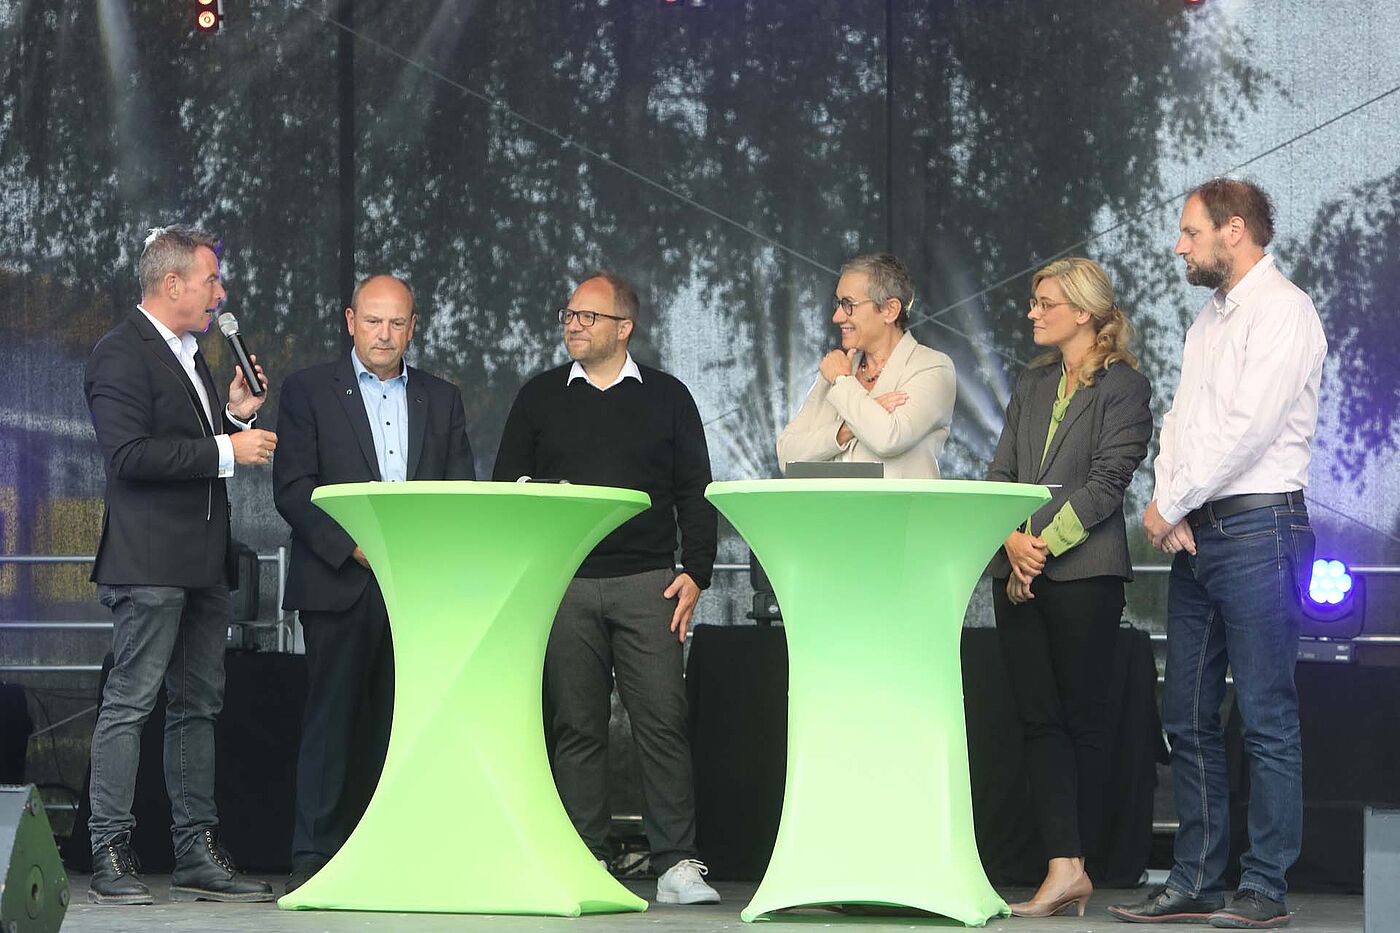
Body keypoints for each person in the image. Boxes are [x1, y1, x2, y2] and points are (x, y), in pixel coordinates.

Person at [1110, 179, 1326, 929]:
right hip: (1199, 531)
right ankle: (1197, 877)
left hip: (1262, 527)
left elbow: (1248, 428)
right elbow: (1182, 419)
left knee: (1266, 713)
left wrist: (1174, 501)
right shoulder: (1208, 320)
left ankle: (1264, 886)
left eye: (1189, 231)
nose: (1180, 245)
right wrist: (1169, 503)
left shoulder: (1285, 310)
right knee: (1187, 714)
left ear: (1234, 230)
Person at [493, 271, 720, 905]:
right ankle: (583, 854)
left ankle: (676, 862)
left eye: (588, 316)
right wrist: (530, 576)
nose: (573, 324)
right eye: (568, 314)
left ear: (624, 328)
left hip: (649, 582)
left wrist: (696, 573)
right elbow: (509, 487)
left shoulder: (668, 397)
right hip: (564, 586)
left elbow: (694, 492)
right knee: (576, 725)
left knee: (662, 723)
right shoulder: (539, 396)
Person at [83, 224, 277, 905]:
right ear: (173, 284)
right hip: (149, 562)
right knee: (131, 701)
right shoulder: (120, 353)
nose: (219, 292)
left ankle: (196, 847)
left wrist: (230, 415)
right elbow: (131, 456)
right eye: (210, 281)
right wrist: (230, 450)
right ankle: (107, 847)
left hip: (201, 560)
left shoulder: (190, 353)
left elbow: (186, 443)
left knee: (199, 704)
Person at [274, 274, 475, 894]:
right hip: (340, 581)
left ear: (414, 326)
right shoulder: (308, 390)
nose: (384, 334)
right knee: (331, 723)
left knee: (411, 724)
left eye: (397, 323)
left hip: (417, 591)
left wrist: (418, 558)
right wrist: (353, 547)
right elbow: (293, 489)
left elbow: (461, 491)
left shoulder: (441, 398)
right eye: (373, 321)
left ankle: (407, 853)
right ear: (349, 321)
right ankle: (317, 862)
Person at [986, 257, 1152, 918]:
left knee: (1081, 721)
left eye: (1044, 301)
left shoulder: (1124, 386)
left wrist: (1039, 547)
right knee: (1037, 721)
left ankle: (1073, 866)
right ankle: (1063, 867)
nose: (1032, 312)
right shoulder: (1030, 381)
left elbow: (1108, 485)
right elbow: (1000, 473)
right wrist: (1010, 542)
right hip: (1018, 568)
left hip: (1084, 574)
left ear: (1082, 311)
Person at [775, 253, 955, 478]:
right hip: (833, 513)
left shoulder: (933, 368)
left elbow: (888, 439)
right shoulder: (837, 369)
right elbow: (786, 455)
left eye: (848, 304)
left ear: (889, 310)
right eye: (839, 303)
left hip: (903, 513)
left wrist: (842, 382)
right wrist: (844, 431)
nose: (837, 316)